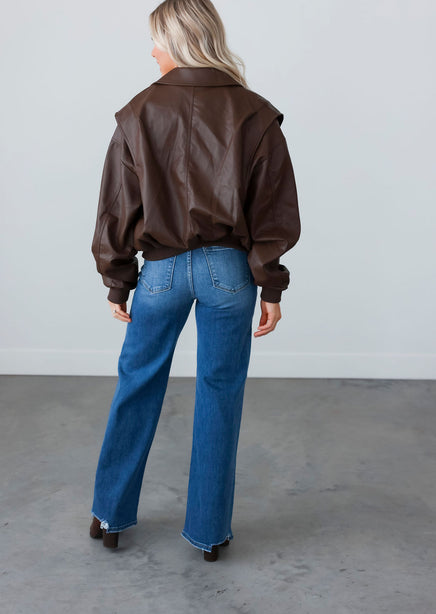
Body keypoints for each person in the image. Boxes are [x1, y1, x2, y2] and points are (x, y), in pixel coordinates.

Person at [89, 0, 301, 562]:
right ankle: (209, 533)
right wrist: (271, 285)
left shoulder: (137, 112)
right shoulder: (255, 114)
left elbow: (116, 208)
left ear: (179, 42)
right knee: (220, 391)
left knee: (137, 383)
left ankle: (109, 515)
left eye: (156, 41)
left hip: (159, 272)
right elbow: (273, 211)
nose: (152, 52)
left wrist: (118, 280)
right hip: (229, 272)